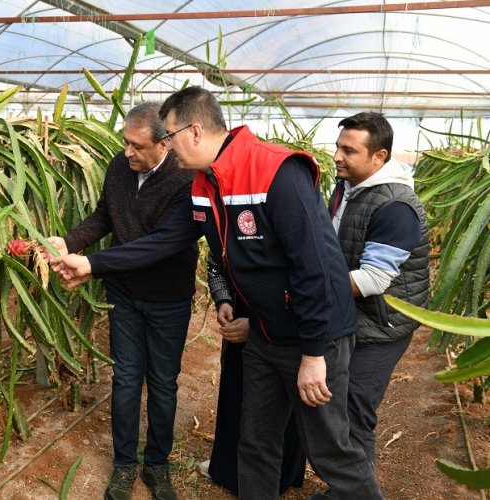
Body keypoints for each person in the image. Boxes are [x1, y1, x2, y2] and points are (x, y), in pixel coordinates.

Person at [52, 86, 383, 499]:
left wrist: (314, 353)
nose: (168, 148)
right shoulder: (204, 185)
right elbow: (165, 240)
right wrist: (92, 264)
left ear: (193, 131)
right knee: (256, 442)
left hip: (314, 337)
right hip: (263, 333)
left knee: (331, 450)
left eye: (169, 137)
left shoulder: (277, 171)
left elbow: (314, 266)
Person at [44, 102, 198, 500]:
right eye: (125, 143)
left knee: (163, 383)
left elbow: (157, 247)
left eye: (136, 146)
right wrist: (71, 241)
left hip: (168, 299)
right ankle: (125, 464)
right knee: (127, 379)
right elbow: (104, 216)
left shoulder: (187, 180)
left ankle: (158, 464)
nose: (126, 152)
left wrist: (92, 263)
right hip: (125, 296)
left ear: (164, 143)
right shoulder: (121, 166)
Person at [330, 112, 429, 467]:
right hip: (354, 317)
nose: (338, 156)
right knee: (338, 405)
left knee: (355, 409)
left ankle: (358, 493)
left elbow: (373, 279)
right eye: (337, 147)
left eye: (349, 151)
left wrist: (310, 292)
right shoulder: (346, 188)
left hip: (382, 326)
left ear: (379, 157)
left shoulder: (396, 205)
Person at [200, 257, 306, 496]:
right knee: (236, 391)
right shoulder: (225, 220)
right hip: (242, 313)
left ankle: (279, 477)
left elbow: (302, 279)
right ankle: (229, 472)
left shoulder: (291, 223)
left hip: (285, 322)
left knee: (279, 403)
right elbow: (216, 260)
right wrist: (223, 300)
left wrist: (258, 325)